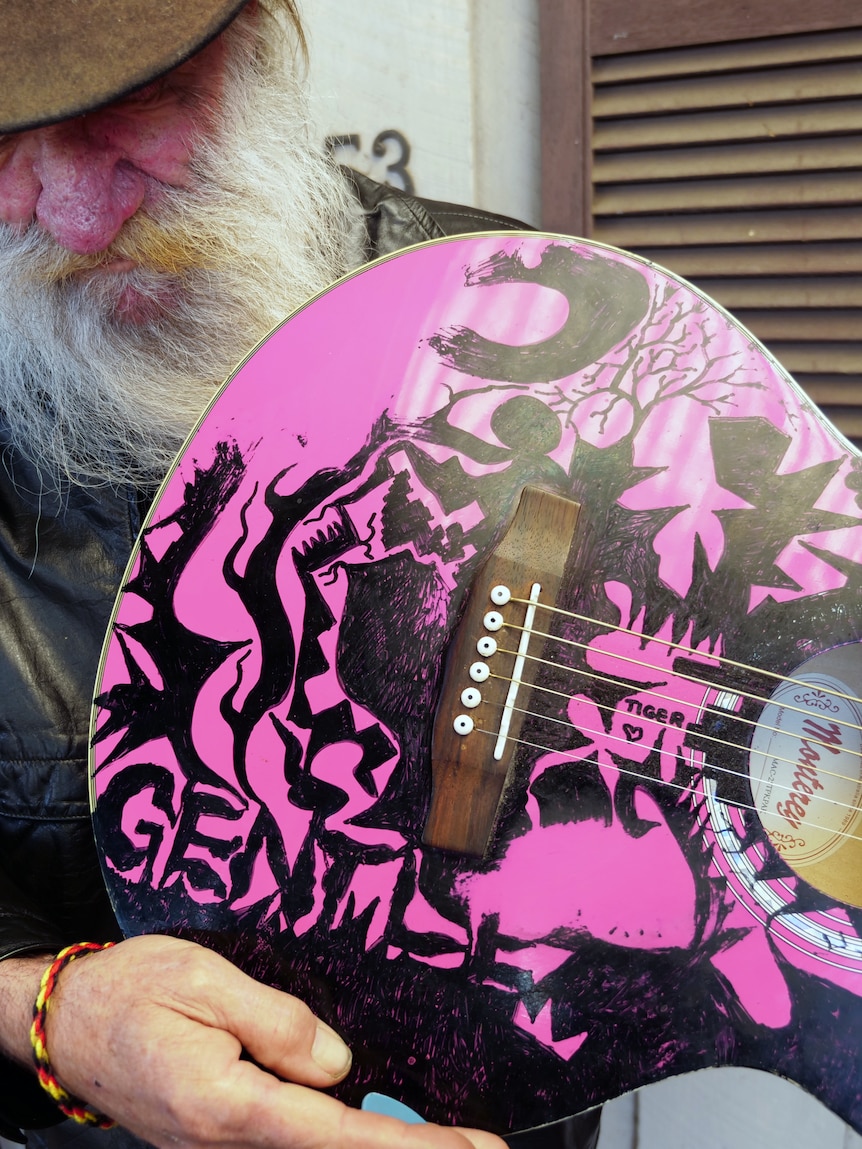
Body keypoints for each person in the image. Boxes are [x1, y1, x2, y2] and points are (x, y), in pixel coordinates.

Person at [0, 2, 602, 1147]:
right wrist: (52, 1005)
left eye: (136, 105)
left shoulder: (533, 316)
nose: (80, 217)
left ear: (261, 41)